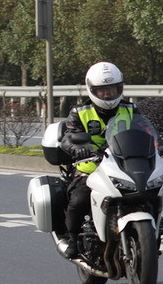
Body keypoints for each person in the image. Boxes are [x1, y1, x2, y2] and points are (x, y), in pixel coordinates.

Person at [55, 61, 136, 259]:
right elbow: (67, 138)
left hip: (124, 166)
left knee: (147, 190)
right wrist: (77, 149)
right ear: (92, 90)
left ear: (120, 88)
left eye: (112, 89)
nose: (108, 94)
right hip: (91, 167)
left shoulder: (131, 109)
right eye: (102, 91)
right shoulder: (79, 112)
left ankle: (153, 227)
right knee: (79, 198)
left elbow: (146, 132)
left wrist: (158, 144)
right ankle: (73, 238)